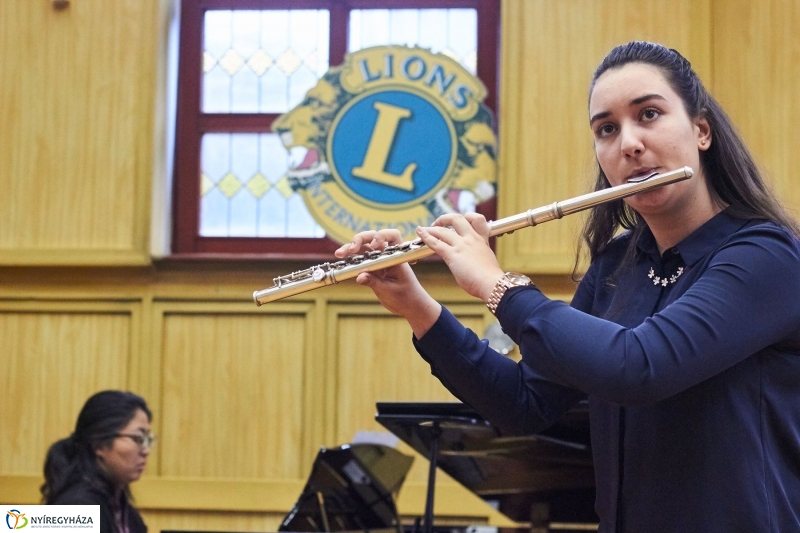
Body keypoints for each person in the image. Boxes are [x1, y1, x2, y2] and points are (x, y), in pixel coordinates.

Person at [334, 41, 800, 532]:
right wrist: (415, 305)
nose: (629, 143)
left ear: (701, 131)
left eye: (649, 114)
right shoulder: (617, 265)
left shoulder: (766, 257)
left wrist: (499, 285)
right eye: (607, 129)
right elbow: (524, 403)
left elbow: (640, 366)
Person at [41, 390, 152, 533]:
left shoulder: (127, 514)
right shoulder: (76, 509)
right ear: (99, 444)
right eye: (138, 439)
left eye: (148, 440)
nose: (146, 451)